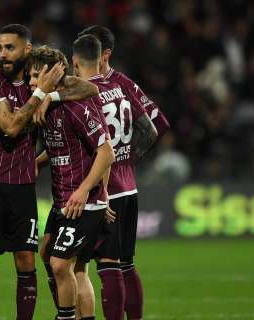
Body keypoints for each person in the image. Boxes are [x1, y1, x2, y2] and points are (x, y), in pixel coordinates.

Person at [0, 24, 98, 320]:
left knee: (26, 260)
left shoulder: (36, 79)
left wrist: (53, 96)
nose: (3, 54)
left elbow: (91, 88)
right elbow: (10, 126)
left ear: (27, 49)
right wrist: (42, 94)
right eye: (0, 48)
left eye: (10, 48)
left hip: (21, 182)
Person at [78, 25, 170, 320]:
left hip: (109, 189)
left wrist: (116, 161)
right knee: (126, 263)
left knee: (104, 264)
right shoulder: (120, 86)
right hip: (129, 186)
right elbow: (154, 128)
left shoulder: (92, 89)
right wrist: (128, 159)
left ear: (104, 54)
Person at [31, 45, 115, 320]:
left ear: (54, 75)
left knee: (59, 264)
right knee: (62, 262)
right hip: (62, 200)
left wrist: (86, 191)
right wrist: (37, 164)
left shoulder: (76, 106)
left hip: (82, 202)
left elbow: (106, 152)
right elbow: (62, 146)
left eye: (36, 76)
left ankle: (65, 317)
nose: (32, 82)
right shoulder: (49, 104)